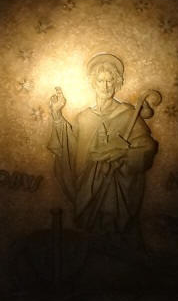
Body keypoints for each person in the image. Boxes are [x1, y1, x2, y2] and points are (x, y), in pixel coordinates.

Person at [47, 53, 158, 239]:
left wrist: (123, 153)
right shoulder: (84, 118)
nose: (106, 86)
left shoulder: (128, 114)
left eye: (110, 80)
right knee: (92, 237)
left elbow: (147, 147)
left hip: (118, 188)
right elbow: (70, 150)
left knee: (114, 236)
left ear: (117, 83)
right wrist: (57, 115)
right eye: (101, 81)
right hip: (88, 189)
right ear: (93, 83)